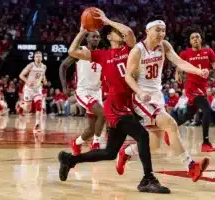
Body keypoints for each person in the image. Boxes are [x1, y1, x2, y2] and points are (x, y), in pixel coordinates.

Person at [57, 8, 170, 193]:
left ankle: (69, 159)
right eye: (115, 32)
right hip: (115, 106)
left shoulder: (130, 49)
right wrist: (83, 31)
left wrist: (108, 21)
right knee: (142, 135)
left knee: (109, 153)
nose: (120, 33)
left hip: (127, 104)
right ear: (109, 37)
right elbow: (72, 51)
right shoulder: (102, 55)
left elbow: (130, 33)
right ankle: (147, 179)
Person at [119, 15, 210, 182]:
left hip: (157, 96)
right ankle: (190, 166)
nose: (161, 33)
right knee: (170, 124)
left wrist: (198, 71)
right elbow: (127, 77)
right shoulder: (137, 51)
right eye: (157, 30)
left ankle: (126, 152)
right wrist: (139, 92)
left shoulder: (164, 46)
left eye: (164, 30)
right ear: (147, 31)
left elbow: (180, 62)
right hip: (142, 98)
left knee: (153, 145)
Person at [175, 28, 215, 152]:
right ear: (190, 41)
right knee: (207, 110)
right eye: (192, 38)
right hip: (191, 87)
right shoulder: (185, 53)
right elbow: (179, 66)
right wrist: (177, 74)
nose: (195, 39)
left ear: (201, 39)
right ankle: (205, 143)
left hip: (203, 87)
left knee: (188, 115)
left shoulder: (208, 51)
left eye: (197, 37)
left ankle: (169, 129)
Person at [59, 31, 106, 154]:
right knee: (103, 113)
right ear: (87, 39)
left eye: (97, 37)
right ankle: (95, 143)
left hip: (97, 91)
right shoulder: (80, 51)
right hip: (83, 91)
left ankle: (76, 143)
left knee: (91, 129)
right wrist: (65, 86)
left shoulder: (102, 53)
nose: (96, 38)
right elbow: (63, 66)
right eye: (93, 36)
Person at [19, 51, 47, 133]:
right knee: (28, 109)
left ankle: (37, 125)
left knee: (39, 105)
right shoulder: (31, 65)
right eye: (37, 56)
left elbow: (43, 76)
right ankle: (21, 106)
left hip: (37, 88)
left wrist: (45, 81)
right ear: (34, 58)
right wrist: (27, 82)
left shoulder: (44, 67)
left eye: (40, 56)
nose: (38, 58)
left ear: (42, 58)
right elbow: (21, 75)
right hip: (28, 89)